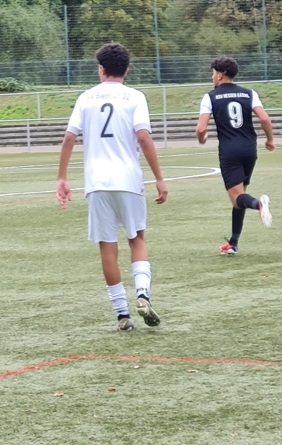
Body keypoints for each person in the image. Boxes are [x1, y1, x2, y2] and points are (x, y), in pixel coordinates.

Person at [56, 43, 168, 332]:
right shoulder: (135, 97)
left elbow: (69, 138)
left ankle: (122, 315)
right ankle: (142, 295)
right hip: (128, 179)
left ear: (101, 69)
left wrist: (62, 177)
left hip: (97, 183)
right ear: (126, 70)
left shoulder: (86, 97)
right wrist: (159, 177)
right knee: (137, 238)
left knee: (107, 247)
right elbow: (143, 137)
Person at [195, 56, 275, 257]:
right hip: (249, 149)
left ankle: (259, 204)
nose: (212, 77)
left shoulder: (210, 97)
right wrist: (270, 140)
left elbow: (201, 129)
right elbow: (265, 118)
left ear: (220, 75)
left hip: (229, 151)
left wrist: (202, 139)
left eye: (213, 73)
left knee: (237, 198)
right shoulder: (249, 93)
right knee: (239, 197)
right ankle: (233, 243)